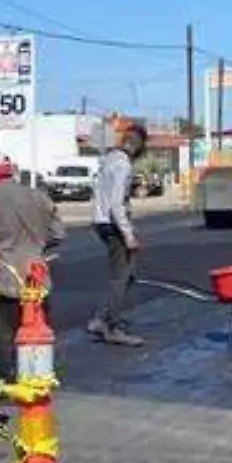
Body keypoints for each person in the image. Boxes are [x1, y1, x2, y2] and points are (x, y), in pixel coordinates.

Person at [0, 149, 62, 386]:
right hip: (37, 276)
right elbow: (58, 233)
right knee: (36, 329)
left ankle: (9, 379)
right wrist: (36, 246)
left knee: (5, 333)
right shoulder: (38, 197)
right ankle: (36, 374)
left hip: (5, 278)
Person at [88, 122, 147, 346]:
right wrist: (129, 235)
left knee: (124, 275)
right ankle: (111, 327)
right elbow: (116, 204)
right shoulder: (122, 165)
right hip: (113, 225)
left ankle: (100, 318)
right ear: (136, 144)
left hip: (101, 222)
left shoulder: (108, 160)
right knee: (121, 277)